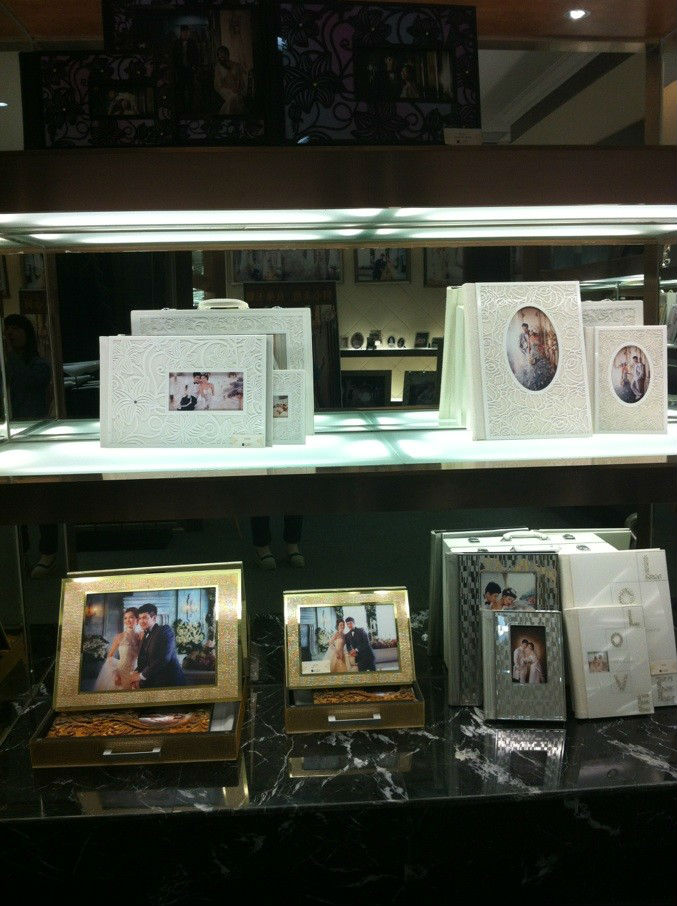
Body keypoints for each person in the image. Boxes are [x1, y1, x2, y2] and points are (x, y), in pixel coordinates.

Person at [4, 314, 57, 578]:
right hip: (10, 434)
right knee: (15, 500)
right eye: (7, 329)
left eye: (15, 329)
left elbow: (29, 383)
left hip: (37, 436)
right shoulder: (7, 363)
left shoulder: (39, 365)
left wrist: (9, 356)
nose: (10, 334)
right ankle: (21, 552)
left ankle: (48, 551)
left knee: (41, 497)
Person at [129, 603, 186, 689]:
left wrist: (140, 676)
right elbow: (144, 660)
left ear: (154, 618)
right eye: (140, 618)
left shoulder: (165, 630)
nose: (141, 621)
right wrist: (135, 673)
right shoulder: (144, 635)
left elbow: (163, 658)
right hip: (154, 682)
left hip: (170, 683)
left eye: (144, 617)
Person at [94, 607, 142, 691]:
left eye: (131, 617)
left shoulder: (140, 636)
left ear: (137, 619)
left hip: (135, 672)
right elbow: (110, 656)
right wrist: (116, 674)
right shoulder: (120, 636)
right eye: (125, 618)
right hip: (120, 673)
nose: (128, 620)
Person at [214, 44, 246, 115]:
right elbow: (219, 83)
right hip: (224, 88)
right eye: (220, 54)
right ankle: (227, 115)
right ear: (218, 56)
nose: (222, 56)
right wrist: (231, 88)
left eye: (223, 53)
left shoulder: (235, 65)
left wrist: (237, 87)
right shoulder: (218, 67)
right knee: (234, 96)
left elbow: (239, 79)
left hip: (236, 88)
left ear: (227, 54)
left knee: (236, 96)